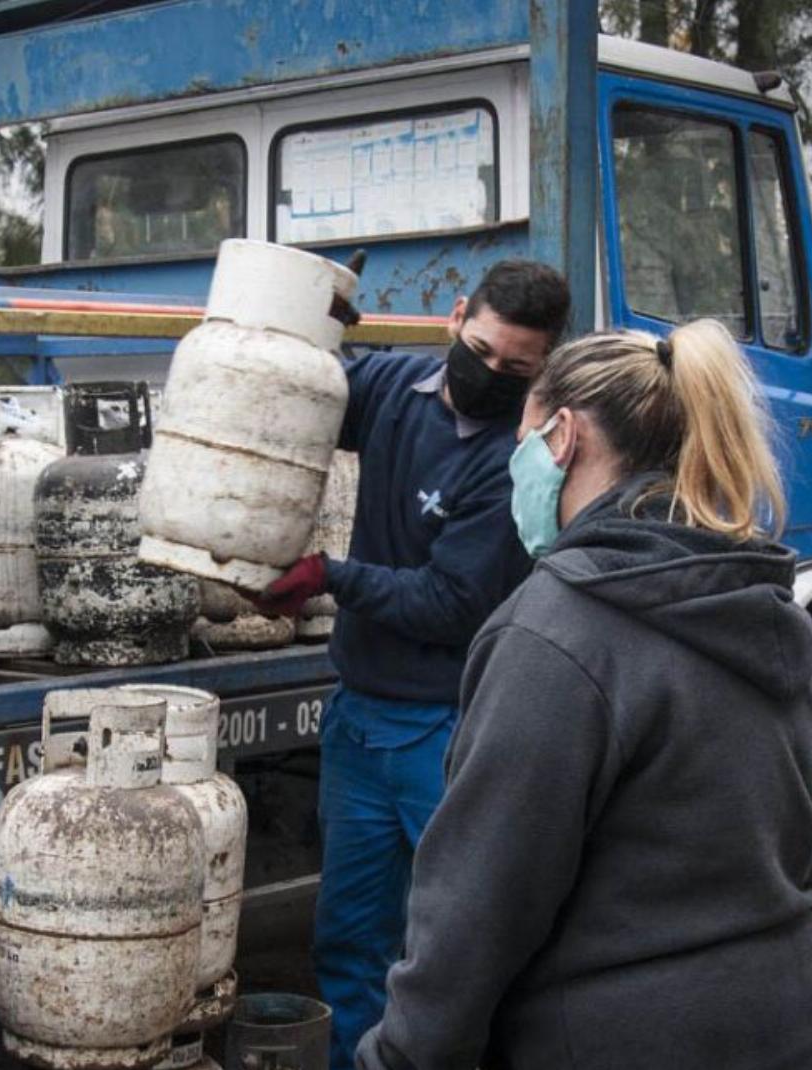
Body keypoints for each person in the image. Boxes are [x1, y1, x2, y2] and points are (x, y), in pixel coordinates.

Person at [355, 320, 812, 1070]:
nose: (512, 463)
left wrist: (401, 1056)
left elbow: (480, 906)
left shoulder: (557, 629)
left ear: (561, 437)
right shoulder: (758, 598)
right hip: (793, 1024)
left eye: (521, 437)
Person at [252, 260, 571, 1069]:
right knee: (349, 934)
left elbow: (448, 603)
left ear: (545, 364)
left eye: (517, 368)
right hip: (358, 718)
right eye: (483, 348)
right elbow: (304, 396)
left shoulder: (517, 463)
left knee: (456, 943)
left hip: (447, 727)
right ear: (456, 316)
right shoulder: (396, 384)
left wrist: (329, 576)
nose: (491, 374)